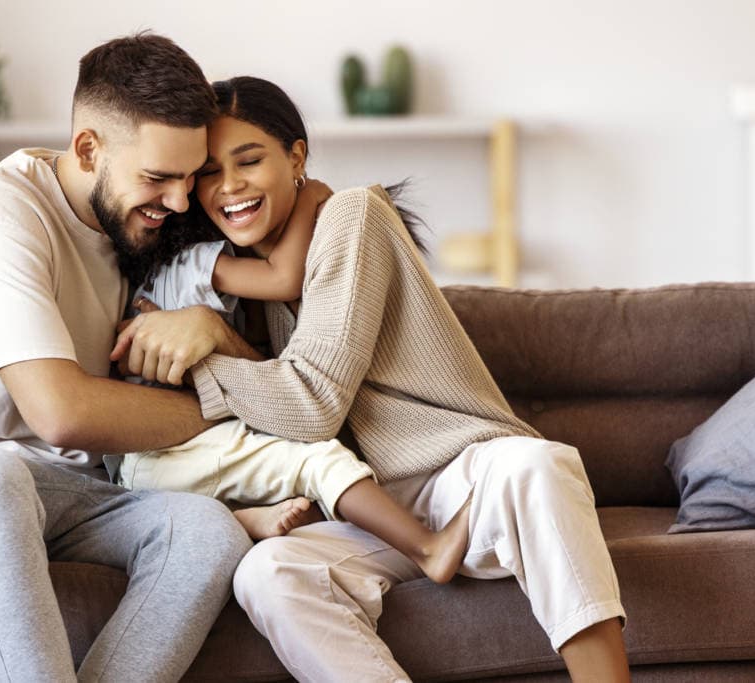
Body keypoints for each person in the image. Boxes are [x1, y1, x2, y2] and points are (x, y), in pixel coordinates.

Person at [112, 76, 631, 682]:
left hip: (461, 478)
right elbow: (282, 396)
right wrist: (213, 331)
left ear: (296, 157)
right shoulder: (243, 272)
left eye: (249, 160)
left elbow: (312, 404)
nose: (228, 187)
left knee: (536, 466)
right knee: (268, 573)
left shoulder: (352, 215)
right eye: (208, 173)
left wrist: (201, 350)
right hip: (373, 509)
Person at [0, 34, 252, 683]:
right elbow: (60, 412)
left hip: (76, 492)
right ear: (90, 148)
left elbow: (272, 357)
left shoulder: (147, 226)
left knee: (209, 531)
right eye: (158, 177)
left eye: (189, 176)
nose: (181, 201)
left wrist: (209, 326)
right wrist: (213, 408)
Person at [113, 178, 475, 584]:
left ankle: (244, 519)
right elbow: (281, 276)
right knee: (318, 459)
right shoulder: (194, 262)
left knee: (279, 467)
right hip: (161, 457)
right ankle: (428, 549)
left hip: (153, 466)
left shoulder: (156, 273)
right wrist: (307, 196)